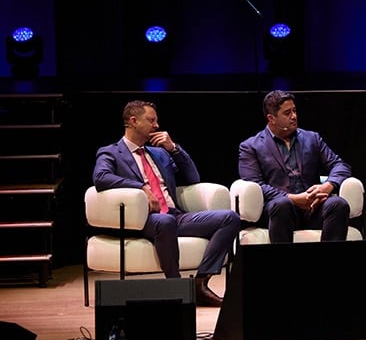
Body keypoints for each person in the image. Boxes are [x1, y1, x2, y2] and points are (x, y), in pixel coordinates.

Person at [92, 100, 240, 307]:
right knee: (165, 222)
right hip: (145, 219)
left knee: (229, 217)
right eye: (151, 120)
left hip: (175, 215)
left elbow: (193, 177)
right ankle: (176, 287)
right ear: (133, 121)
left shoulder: (159, 153)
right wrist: (141, 187)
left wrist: (174, 149)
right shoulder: (111, 152)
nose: (156, 126)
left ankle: (200, 283)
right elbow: (101, 177)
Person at [238, 90, 352, 243]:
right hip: (279, 210)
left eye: (294, 110)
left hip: (313, 207)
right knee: (282, 205)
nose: (294, 116)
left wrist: (328, 186)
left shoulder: (312, 139)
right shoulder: (251, 146)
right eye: (287, 113)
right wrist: (293, 199)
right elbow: (256, 184)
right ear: (271, 119)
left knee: (338, 204)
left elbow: (340, 165)